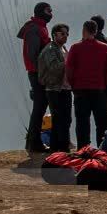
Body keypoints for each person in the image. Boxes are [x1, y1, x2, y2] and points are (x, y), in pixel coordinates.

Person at [65, 20, 107, 147]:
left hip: (80, 90)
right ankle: (102, 148)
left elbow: (69, 69)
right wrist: (105, 83)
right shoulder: (104, 47)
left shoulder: (75, 48)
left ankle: (83, 149)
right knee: (101, 122)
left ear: (84, 30)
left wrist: (73, 85)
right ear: (96, 31)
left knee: (82, 122)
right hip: (99, 89)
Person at [18, 2, 52, 153]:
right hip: (37, 73)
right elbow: (33, 54)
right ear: (40, 12)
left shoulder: (40, 27)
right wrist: (42, 71)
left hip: (39, 72)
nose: (51, 13)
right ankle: (34, 142)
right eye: (48, 10)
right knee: (39, 106)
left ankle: (33, 141)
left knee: (41, 106)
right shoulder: (34, 29)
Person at [38, 23, 72, 153]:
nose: (65, 36)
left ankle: (62, 146)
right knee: (58, 119)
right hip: (54, 89)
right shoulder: (50, 49)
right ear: (54, 34)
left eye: (67, 34)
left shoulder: (63, 48)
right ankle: (57, 148)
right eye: (62, 33)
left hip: (65, 88)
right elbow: (53, 68)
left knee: (66, 118)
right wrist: (69, 62)